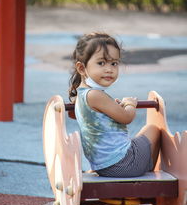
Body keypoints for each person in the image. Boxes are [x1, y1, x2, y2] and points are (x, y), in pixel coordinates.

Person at [69, 32, 161, 177]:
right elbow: (126, 118)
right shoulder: (95, 95)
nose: (109, 69)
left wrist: (115, 106)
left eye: (114, 63)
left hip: (102, 165)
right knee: (154, 129)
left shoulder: (81, 94)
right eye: (101, 63)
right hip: (123, 164)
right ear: (81, 68)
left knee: (140, 136)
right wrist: (130, 104)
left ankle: (143, 173)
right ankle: (147, 179)